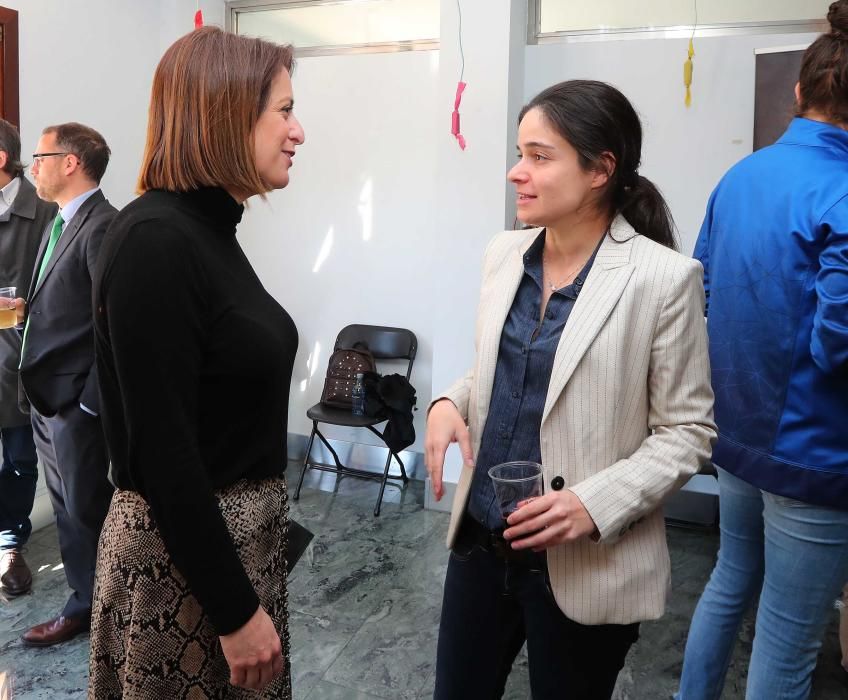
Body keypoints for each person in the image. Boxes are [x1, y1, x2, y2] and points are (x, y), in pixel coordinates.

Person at [425, 79, 716, 700]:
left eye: (539, 155)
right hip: (481, 543)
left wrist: (593, 503)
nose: (515, 172)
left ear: (599, 170)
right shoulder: (504, 254)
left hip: (588, 565)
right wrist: (451, 400)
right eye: (519, 152)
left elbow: (688, 432)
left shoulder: (662, 279)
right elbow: (499, 367)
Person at [88, 26, 304, 697]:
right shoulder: (157, 240)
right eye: (285, 110)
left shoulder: (207, 232)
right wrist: (236, 612)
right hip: (181, 571)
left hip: (227, 556)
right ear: (226, 113)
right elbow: (165, 451)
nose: (297, 132)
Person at [677, 2, 848, 698]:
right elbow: (837, 345)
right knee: (787, 640)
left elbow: (702, 291)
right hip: (812, 456)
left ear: (801, 92)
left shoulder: (739, 177)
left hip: (738, 435)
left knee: (728, 582)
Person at [17, 122, 115, 646]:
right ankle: (87, 603)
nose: (33, 165)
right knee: (68, 511)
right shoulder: (59, 223)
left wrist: (90, 405)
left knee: (87, 511)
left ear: (70, 162)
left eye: (40, 156)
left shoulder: (103, 226)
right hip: (47, 398)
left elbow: (116, 324)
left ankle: (103, 613)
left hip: (77, 405)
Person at [0, 118, 56, 597]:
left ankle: (10, 547)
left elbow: (61, 285)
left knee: (18, 458)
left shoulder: (42, 211)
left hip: (18, 356)